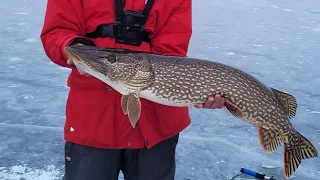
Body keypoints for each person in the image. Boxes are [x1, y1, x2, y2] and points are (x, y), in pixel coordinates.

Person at [40, 0, 225, 179]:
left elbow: (172, 53)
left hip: (155, 125)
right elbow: (56, 32)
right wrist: (72, 46)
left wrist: (197, 89)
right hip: (93, 121)